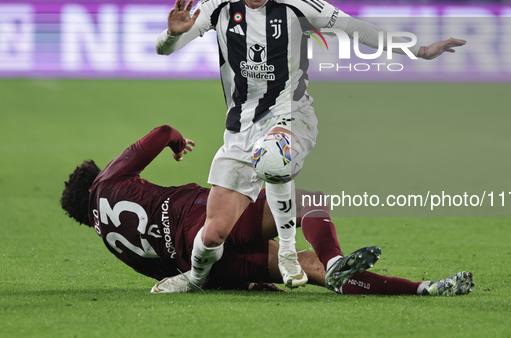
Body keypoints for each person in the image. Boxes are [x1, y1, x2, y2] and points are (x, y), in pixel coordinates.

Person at [155, 0, 467, 291]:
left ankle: (289, 254)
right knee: (213, 234)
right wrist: (170, 34)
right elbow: (166, 49)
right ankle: (195, 279)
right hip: (241, 129)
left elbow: (354, 28)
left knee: (274, 157)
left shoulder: (296, 3)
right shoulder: (219, 6)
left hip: (291, 115)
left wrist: (419, 50)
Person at [60, 125, 474, 296]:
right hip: (205, 217)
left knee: (303, 268)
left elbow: (164, 271)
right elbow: (162, 132)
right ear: (93, 179)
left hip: (206, 266)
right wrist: (175, 143)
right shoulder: (107, 182)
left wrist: (238, 283)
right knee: (303, 201)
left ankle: (422, 289)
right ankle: (350, 266)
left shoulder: (113, 244)